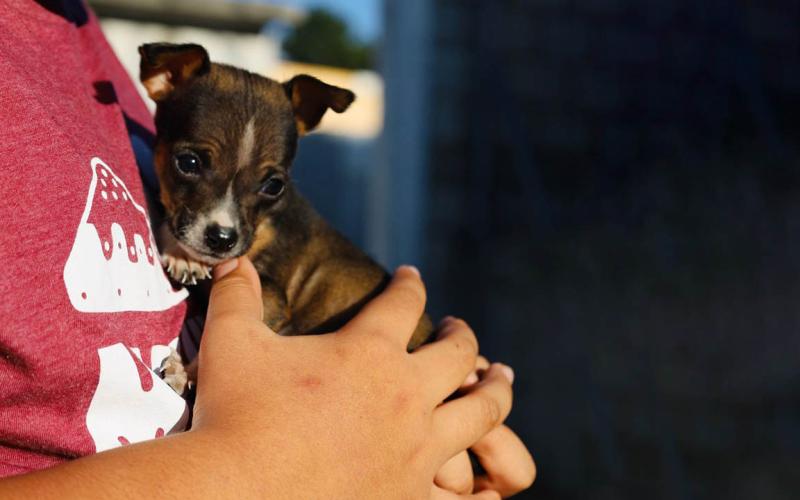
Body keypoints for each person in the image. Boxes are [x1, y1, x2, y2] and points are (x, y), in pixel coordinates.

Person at [0, 1, 535, 497]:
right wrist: (253, 470)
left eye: (267, 187)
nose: (226, 221)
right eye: (193, 165)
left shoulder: (80, 36)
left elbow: (270, 306)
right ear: (165, 77)